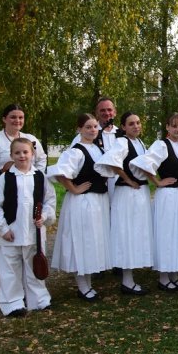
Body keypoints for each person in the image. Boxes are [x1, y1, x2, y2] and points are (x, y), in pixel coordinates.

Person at [0, 138, 56, 316]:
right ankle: (12, 303)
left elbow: (49, 201)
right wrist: (3, 229)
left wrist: (44, 217)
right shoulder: (4, 179)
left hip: (33, 232)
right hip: (10, 233)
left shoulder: (40, 177)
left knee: (35, 266)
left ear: (32, 154)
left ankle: (39, 300)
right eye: (17, 153)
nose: (22, 156)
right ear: (11, 155)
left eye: (25, 152)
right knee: (10, 270)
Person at [131, 113, 178, 292]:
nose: (177, 130)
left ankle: (175, 275)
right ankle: (164, 277)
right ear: (167, 127)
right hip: (169, 196)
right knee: (168, 235)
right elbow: (144, 163)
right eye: (174, 126)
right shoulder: (162, 145)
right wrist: (157, 182)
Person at [48, 114, 111, 301]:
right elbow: (60, 173)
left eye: (94, 127)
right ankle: (83, 287)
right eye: (88, 127)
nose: (92, 130)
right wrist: (74, 188)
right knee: (83, 243)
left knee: (93, 243)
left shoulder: (98, 149)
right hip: (83, 203)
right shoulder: (76, 151)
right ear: (79, 130)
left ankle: (88, 284)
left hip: (98, 202)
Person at [0, 103, 47, 264]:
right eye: (13, 117)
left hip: (28, 194)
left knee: (29, 241)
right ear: (4, 119)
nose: (17, 120)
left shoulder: (31, 139)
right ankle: (7, 279)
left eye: (21, 117)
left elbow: (41, 159)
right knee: (6, 245)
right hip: (3, 195)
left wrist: (36, 178)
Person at [94, 112, 154, 295]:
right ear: (124, 127)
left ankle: (131, 277)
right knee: (127, 235)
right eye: (131, 124)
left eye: (138, 122)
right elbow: (111, 161)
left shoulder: (140, 143)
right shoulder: (122, 142)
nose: (136, 126)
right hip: (127, 194)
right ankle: (127, 281)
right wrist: (127, 179)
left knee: (137, 234)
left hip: (140, 194)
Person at [72, 97, 121, 197]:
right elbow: (72, 165)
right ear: (96, 113)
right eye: (102, 110)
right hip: (94, 192)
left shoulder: (122, 135)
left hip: (120, 190)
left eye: (109, 110)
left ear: (115, 112)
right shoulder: (85, 134)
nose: (106, 113)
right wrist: (73, 187)